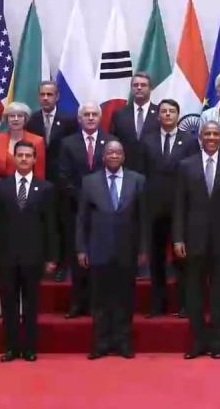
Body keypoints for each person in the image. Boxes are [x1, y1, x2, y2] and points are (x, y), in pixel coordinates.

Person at [0, 141, 59, 362]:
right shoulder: (2, 187)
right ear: (14, 158)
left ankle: (29, 348)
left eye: (28, 155)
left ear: (35, 159)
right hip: (6, 255)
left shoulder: (45, 188)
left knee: (30, 304)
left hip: (33, 255)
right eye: (20, 155)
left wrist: (52, 257)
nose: (24, 159)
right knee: (8, 304)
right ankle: (11, 348)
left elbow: (51, 225)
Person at [175, 121, 220, 359]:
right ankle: (197, 342)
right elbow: (179, 205)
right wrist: (178, 238)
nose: (211, 137)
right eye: (207, 134)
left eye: (215, 134)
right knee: (194, 293)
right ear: (200, 137)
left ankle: (217, 343)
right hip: (193, 240)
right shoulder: (186, 165)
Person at [77, 140, 148, 359]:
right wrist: (81, 249)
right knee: (100, 300)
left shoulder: (138, 180)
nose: (114, 155)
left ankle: (123, 342)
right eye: (110, 152)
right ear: (103, 156)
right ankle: (101, 343)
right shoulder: (89, 182)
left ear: (124, 156)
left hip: (127, 250)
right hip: (98, 249)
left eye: (118, 152)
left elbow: (143, 218)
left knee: (125, 300)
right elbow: (82, 219)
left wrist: (143, 249)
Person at [0, 101, 46, 318]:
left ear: (25, 119)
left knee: (25, 255)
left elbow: (40, 175)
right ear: (6, 119)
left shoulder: (37, 141)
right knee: (2, 254)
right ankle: (0, 301)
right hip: (0, 203)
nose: (16, 119)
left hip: (27, 203)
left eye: (20, 116)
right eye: (12, 116)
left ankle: (23, 303)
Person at [145, 98, 199, 317]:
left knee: (182, 259)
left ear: (178, 115)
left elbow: (194, 174)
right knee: (156, 259)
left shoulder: (190, 141)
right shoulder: (147, 140)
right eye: (164, 111)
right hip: (154, 209)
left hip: (181, 208)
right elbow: (141, 174)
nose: (167, 114)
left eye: (171, 111)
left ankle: (185, 304)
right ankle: (158, 304)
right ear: (158, 115)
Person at [59, 103, 110, 318]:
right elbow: (63, 175)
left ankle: (99, 303)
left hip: (104, 210)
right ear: (79, 119)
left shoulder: (111, 141)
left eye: (94, 114)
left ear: (100, 117)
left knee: (101, 257)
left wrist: (98, 198)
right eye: (86, 115)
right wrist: (83, 197)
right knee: (77, 257)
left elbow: (114, 173)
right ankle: (77, 303)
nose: (90, 118)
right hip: (75, 209)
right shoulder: (68, 143)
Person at [26, 80, 79, 282]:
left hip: (61, 183)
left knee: (62, 223)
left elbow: (73, 149)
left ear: (57, 97)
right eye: (43, 94)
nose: (46, 98)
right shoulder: (32, 120)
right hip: (38, 181)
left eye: (50, 94)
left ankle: (62, 265)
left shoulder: (69, 120)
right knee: (40, 224)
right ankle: (41, 263)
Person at [109, 72, 157, 177]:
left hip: (154, 172)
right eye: (135, 85)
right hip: (126, 172)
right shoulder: (119, 114)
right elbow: (113, 141)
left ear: (150, 88)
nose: (139, 88)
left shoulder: (159, 113)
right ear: (131, 89)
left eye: (143, 85)